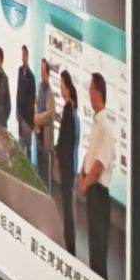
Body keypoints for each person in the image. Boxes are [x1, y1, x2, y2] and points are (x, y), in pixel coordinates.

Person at [55, 71, 81, 256]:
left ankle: (70, 248)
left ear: (67, 87)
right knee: (67, 207)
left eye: (62, 85)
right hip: (69, 167)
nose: (60, 88)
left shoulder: (68, 111)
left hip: (67, 168)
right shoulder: (71, 110)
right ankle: (69, 244)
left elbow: (65, 140)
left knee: (68, 208)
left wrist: (58, 156)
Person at [35, 59, 56, 186]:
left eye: (44, 71)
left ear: (48, 73)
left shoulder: (50, 93)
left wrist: (36, 118)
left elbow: (49, 115)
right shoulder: (40, 87)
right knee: (39, 168)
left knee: (45, 173)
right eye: (41, 70)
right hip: (38, 134)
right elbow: (36, 103)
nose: (42, 73)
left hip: (45, 137)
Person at [16, 46, 38, 165]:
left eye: (24, 55)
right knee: (20, 145)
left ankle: (28, 167)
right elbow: (18, 91)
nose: (23, 58)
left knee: (27, 148)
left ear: (27, 57)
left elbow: (32, 99)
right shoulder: (20, 71)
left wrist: (29, 121)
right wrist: (17, 111)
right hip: (20, 116)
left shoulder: (31, 77)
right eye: (22, 55)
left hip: (27, 120)